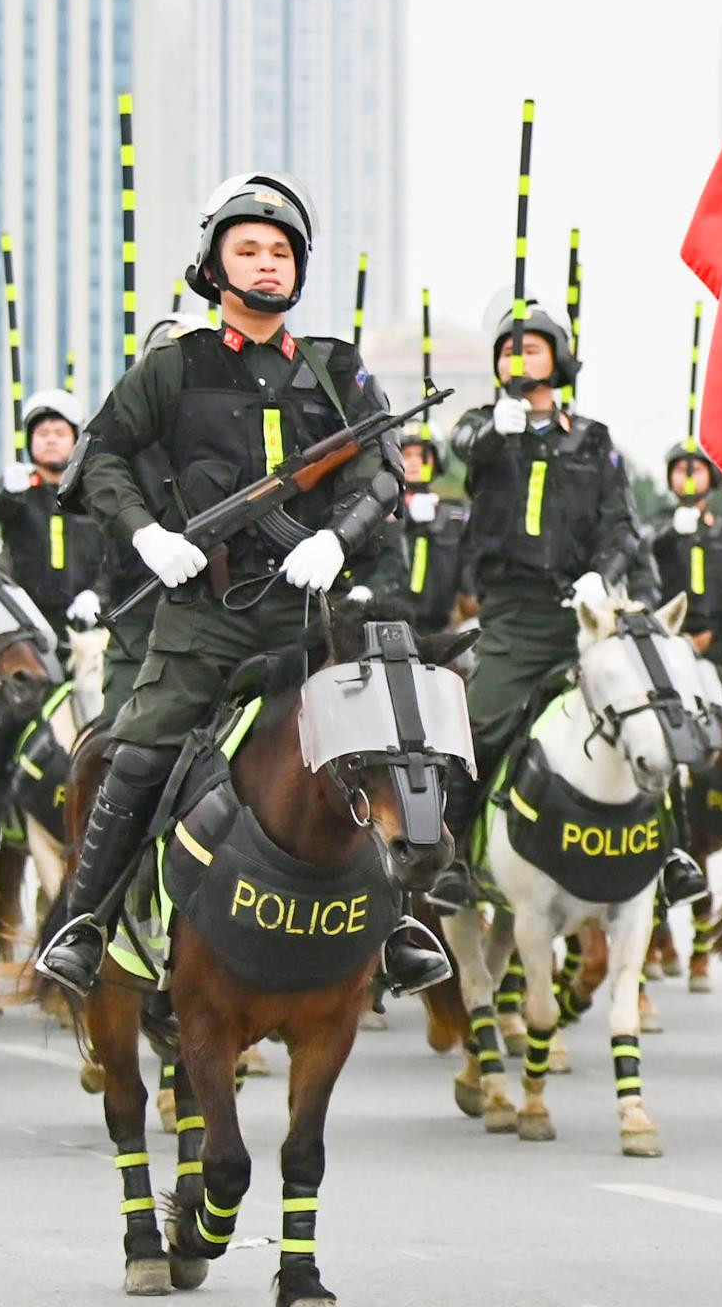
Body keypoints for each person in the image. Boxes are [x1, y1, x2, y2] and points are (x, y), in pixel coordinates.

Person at [34, 173, 441, 996]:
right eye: (247, 249)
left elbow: (383, 468)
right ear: (213, 267)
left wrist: (337, 536)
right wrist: (147, 535)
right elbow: (96, 457)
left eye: (280, 252)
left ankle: (402, 923)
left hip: (307, 621)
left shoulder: (336, 370)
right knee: (140, 749)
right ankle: (86, 921)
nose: (266, 264)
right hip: (202, 620)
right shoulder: (174, 366)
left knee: (399, 740)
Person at [437, 296, 687, 910]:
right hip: (514, 618)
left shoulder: (595, 442)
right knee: (477, 726)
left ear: (559, 358)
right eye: (507, 349)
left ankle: (672, 851)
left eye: (530, 346)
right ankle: (449, 856)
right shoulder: (483, 428)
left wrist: (601, 577)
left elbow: (621, 527)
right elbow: (459, 446)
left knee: (654, 715)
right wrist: (501, 425)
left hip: (588, 617)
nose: (517, 356)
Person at [0, 389, 103, 650]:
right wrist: (9, 493)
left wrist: (97, 595)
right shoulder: (18, 488)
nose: (51, 440)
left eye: (60, 434)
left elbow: (114, 554)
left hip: (84, 619)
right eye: (42, 434)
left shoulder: (94, 493)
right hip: (27, 621)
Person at [652, 443, 722, 654]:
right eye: (680, 470)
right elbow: (643, 566)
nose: (688, 476)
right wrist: (672, 532)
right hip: (668, 640)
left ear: (711, 475)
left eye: (696, 470)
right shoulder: (656, 528)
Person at [361, 426, 470, 628]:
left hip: (438, 625)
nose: (414, 462)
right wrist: (407, 516)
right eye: (407, 455)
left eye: (422, 455)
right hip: (385, 621)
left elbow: (468, 572)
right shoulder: (377, 510)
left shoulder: (454, 515)